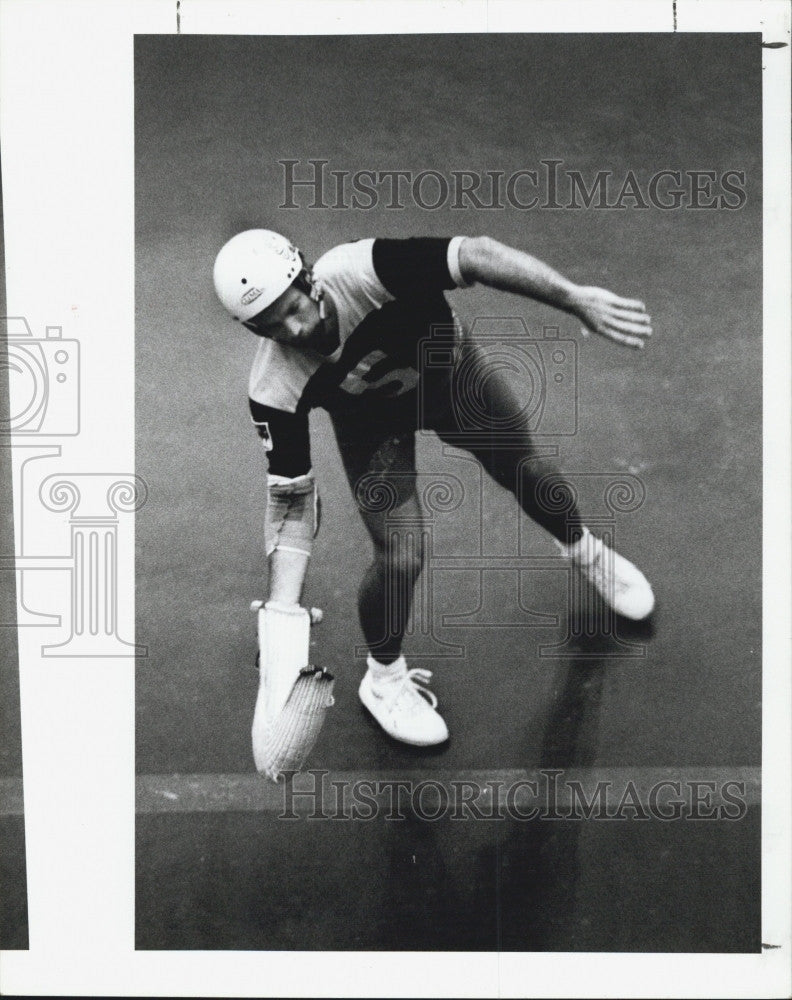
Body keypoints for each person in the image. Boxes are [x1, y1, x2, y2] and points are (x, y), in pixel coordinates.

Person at [213, 230, 654, 748]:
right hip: (372, 429)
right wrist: (283, 613)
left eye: (293, 308)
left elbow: (480, 255)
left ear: (308, 279)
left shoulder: (364, 271)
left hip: (453, 379)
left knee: (528, 473)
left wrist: (574, 298)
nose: (293, 329)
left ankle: (583, 551)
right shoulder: (273, 386)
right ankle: (383, 680)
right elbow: (291, 501)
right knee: (401, 554)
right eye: (270, 325)